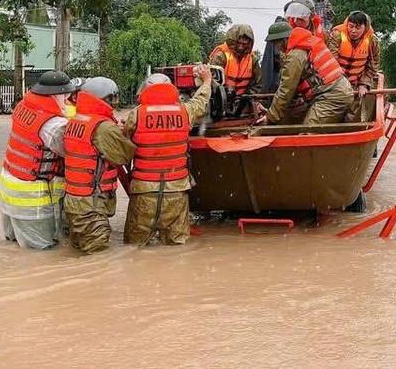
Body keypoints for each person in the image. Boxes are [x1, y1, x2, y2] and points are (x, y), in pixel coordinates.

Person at [122, 66, 212, 245]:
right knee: (177, 246)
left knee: (135, 245)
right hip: (176, 190)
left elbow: (124, 148)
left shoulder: (135, 114)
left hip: (144, 191)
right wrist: (207, 81)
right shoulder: (185, 111)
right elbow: (200, 101)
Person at [0, 70, 77, 250]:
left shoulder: (24, 106)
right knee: (42, 252)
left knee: (12, 246)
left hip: (9, 186)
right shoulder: (53, 125)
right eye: (66, 95)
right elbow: (73, 149)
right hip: (30, 198)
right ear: (55, 95)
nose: (68, 100)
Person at [63, 76, 136, 254]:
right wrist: (128, 132)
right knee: (97, 256)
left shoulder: (76, 120)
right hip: (91, 203)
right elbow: (125, 155)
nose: (115, 102)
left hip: (75, 200)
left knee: (80, 251)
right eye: (113, 98)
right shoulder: (103, 127)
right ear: (106, 98)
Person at [256, 21, 354, 125]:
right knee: (295, 117)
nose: (277, 47)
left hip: (332, 95)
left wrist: (270, 117)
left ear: (284, 40)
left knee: (308, 129)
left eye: (276, 43)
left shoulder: (295, 55)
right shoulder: (306, 44)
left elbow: (286, 89)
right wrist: (272, 111)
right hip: (336, 92)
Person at [327, 11, 381, 121]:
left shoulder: (372, 41)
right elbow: (331, 61)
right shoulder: (337, 36)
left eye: (358, 27)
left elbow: (373, 64)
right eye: (351, 26)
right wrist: (341, 85)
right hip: (335, 82)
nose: (353, 31)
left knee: (355, 112)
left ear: (365, 27)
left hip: (357, 83)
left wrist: (364, 84)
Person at [209, 23, 261, 112]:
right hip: (220, 103)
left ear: (249, 43)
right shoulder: (221, 56)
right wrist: (225, 92)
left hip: (243, 105)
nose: (241, 47)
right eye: (238, 43)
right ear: (232, 41)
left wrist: (247, 98)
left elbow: (258, 84)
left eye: (244, 44)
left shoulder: (253, 60)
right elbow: (211, 81)